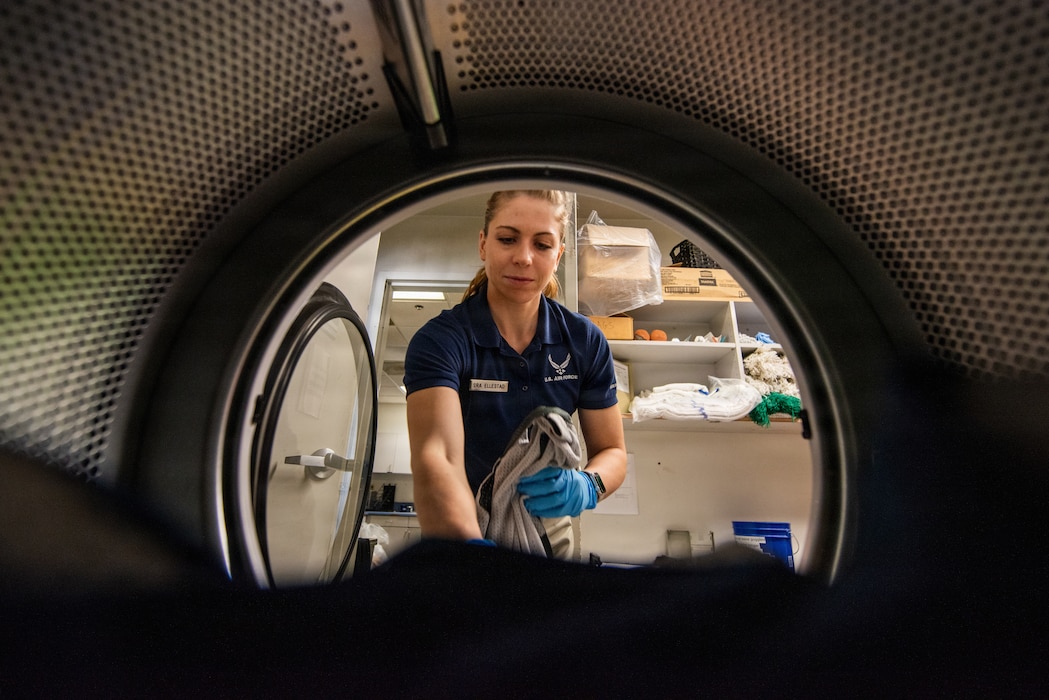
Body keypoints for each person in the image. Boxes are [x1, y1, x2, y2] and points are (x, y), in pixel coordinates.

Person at [403, 190, 628, 558]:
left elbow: (612, 451)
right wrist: (471, 553)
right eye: (507, 239)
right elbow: (437, 459)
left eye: (542, 245)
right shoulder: (441, 340)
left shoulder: (584, 341)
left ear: (558, 255)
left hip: (546, 530)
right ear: (483, 244)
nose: (523, 258)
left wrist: (589, 484)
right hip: (459, 522)